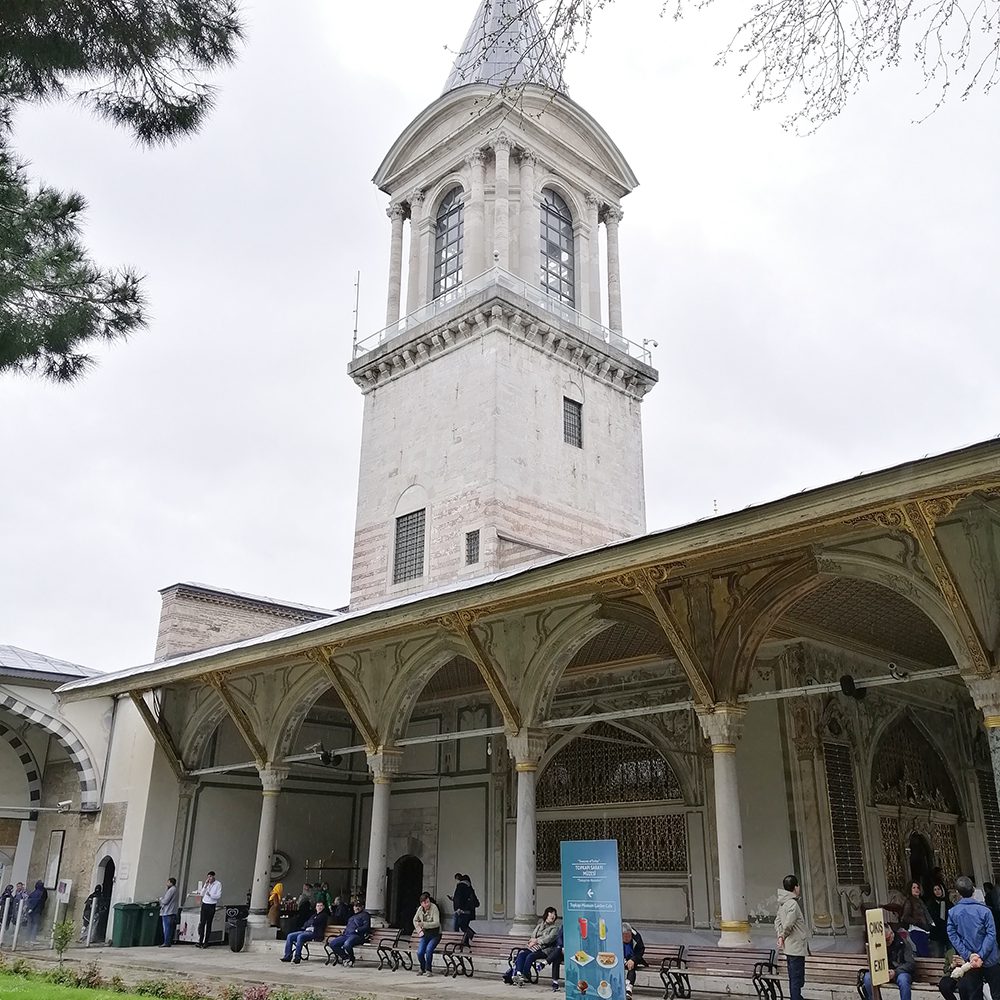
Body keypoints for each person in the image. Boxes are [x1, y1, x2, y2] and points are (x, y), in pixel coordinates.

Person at [947, 874, 1000, 1000]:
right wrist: (980, 955)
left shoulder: (953, 912)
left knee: (974, 995)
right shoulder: (985, 911)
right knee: (997, 994)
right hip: (990, 957)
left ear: (958, 893)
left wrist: (969, 954)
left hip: (970, 960)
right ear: (973, 890)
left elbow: (952, 934)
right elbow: (991, 934)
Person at [504, 905, 561, 987]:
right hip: (535, 948)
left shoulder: (555, 928)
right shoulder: (539, 926)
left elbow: (549, 939)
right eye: (551, 914)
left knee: (530, 956)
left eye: (554, 914)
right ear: (546, 915)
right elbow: (533, 936)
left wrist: (536, 941)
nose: (553, 916)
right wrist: (534, 941)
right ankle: (519, 974)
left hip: (545, 950)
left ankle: (525, 975)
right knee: (521, 954)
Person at [775, 874, 811, 1000]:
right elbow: (789, 923)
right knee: (797, 980)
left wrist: (780, 936)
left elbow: (778, 922)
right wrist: (783, 936)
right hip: (796, 948)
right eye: (798, 885)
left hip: (789, 948)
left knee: (794, 979)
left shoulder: (783, 904)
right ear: (795, 887)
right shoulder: (792, 904)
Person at [862, 924, 915, 1000]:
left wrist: (895, 972)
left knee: (903, 980)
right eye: (883, 940)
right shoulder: (878, 945)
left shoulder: (903, 943)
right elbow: (872, 963)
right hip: (883, 972)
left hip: (900, 972)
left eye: (887, 939)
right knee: (867, 978)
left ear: (892, 933)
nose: (886, 942)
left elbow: (910, 964)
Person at [281, 900, 328, 965]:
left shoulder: (323, 915)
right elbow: (306, 923)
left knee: (300, 937)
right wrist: (311, 923)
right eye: (318, 906)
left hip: (315, 934)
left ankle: (297, 957)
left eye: (321, 906)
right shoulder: (314, 915)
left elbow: (316, 922)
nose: (319, 907)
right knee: (290, 936)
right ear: (315, 907)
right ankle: (287, 956)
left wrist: (312, 922)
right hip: (306, 931)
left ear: (323, 907)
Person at [326, 899, 371, 966]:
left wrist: (357, 930)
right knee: (333, 943)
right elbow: (348, 927)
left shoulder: (365, 915)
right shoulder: (351, 917)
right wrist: (343, 933)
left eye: (359, 906)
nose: (356, 908)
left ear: (362, 907)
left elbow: (366, 926)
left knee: (347, 944)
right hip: (346, 935)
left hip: (357, 936)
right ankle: (345, 957)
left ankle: (352, 958)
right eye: (355, 906)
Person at [191, 870, 223, 948]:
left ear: (214, 877)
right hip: (204, 904)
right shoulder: (207, 884)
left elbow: (218, 896)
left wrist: (211, 895)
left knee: (209, 923)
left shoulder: (218, 884)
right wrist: (205, 885)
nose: (209, 878)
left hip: (211, 905)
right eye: (208, 877)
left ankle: (206, 941)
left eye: (211, 877)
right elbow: (201, 893)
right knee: (202, 923)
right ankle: (200, 940)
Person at [413, 891, 442, 976]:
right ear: (422, 904)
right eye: (425, 903)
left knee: (429, 950)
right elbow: (414, 920)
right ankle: (422, 968)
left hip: (435, 934)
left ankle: (429, 969)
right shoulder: (419, 909)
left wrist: (424, 924)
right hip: (425, 933)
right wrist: (419, 930)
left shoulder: (434, 908)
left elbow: (437, 923)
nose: (427, 904)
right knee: (420, 952)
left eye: (428, 901)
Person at [902, 880, 933, 957]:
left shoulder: (920, 901)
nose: (916, 889)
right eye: (914, 888)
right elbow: (905, 917)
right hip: (917, 931)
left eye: (918, 887)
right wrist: (918, 923)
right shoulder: (909, 901)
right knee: (923, 955)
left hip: (924, 931)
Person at [622, 922, 647, 999]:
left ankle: (628, 989)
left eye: (629, 936)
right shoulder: (615, 935)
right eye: (624, 936)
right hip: (621, 957)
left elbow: (641, 950)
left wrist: (633, 959)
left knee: (631, 966)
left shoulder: (636, 936)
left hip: (634, 957)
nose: (627, 938)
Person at [451, 872, 477, 941]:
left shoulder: (460, 886)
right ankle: (466, 942)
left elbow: (458, 898)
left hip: (461, 911)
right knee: (464, 926)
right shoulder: (469, 887)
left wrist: (457, 908)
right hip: (469, 911)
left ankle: (475, 938)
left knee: (462, 927)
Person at [930, 882, 953, 958]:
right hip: (936, 934)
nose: (937, 891)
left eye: (939, 889)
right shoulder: (931, 904)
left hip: (948, 933)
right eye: (935, 890)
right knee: (938, 956)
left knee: (951, 957)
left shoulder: (949, 904)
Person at [159, 877, 178, 947]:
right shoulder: (176, 889)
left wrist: (160, 899)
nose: (166, 884)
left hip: (168, 911)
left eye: (168, 882)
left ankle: (166, 942)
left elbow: (165, 901)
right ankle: (168, 941)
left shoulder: (171, 890)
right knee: (170, 928)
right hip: (173, 911)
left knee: (166, 928)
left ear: (170, 882)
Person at [546, 924, 564, 993]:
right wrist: (562, 947)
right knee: (556, 957)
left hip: (574, 951)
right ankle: (555, 982)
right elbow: (559, 937)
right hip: (562, 952)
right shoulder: (564, 924)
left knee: (556, 953)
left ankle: (545, 963)